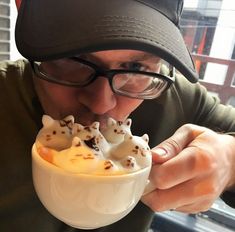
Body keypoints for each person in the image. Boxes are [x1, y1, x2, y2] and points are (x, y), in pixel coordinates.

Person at [0, 0, 234, 231]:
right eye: (71, 58)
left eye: (136, 68)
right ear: (23, 7)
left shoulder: (176, 98)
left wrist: (229, 161)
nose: (102, 104)